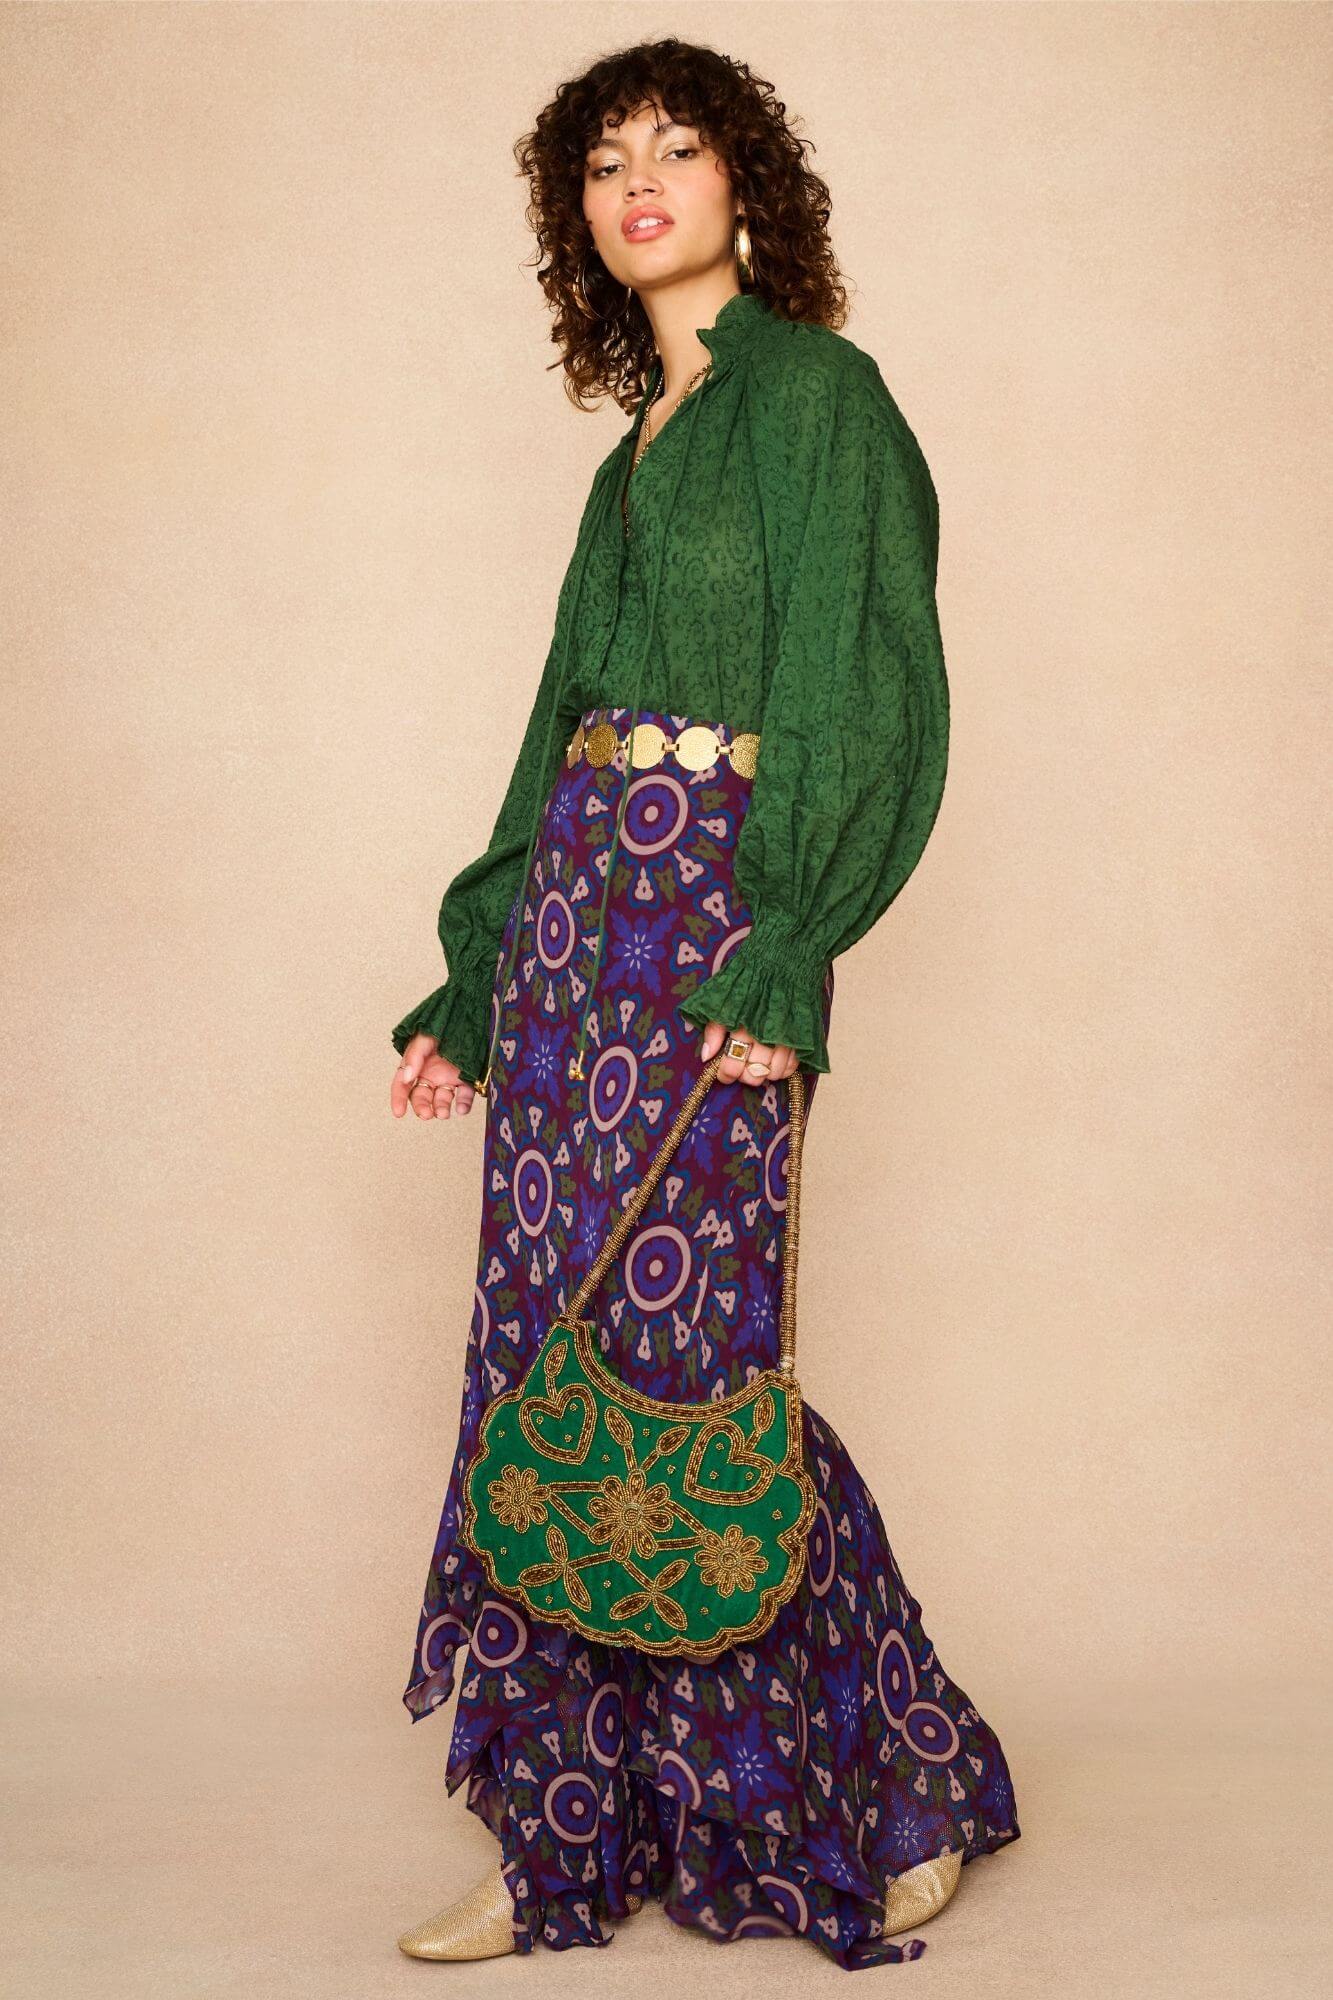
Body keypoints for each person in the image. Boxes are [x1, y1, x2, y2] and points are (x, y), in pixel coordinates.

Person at [387, 40, 1020, 1970]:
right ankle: (563, 1836)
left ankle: (889, 1790)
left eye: (678, 146)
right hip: (576, 941)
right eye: (602, 162)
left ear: (749, 184)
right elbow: (557, 728)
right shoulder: (633, 456)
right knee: (553, 1371)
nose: (638, 179)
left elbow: (862, 681)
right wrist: (475, 982)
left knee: (695, 1381)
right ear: (573, 217)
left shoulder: (817, 397)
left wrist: (786, 945)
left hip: (712, 938)